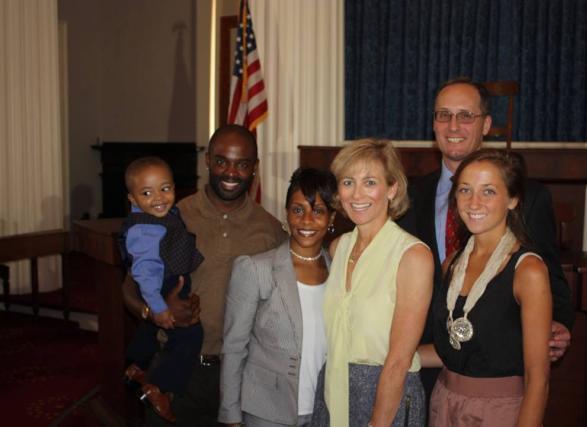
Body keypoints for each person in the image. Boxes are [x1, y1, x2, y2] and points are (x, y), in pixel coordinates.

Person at [397, 77, 574, 400]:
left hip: (494, 370)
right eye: (443, 115)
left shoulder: (529, 197)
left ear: (487, 124)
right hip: (419, 364)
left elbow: (550, 277)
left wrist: (558, 324)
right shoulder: (407, 197)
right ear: (433, 124)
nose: (454, 125)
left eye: (466, 116)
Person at [122, 124, 288, 426]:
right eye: (222, 161)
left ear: (255, 168)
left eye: (242, 164)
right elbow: (128, 289)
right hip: (173, 368)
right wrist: (154, 312)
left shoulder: (271, 230)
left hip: (241, 374)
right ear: (208, 160)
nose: (231, 172)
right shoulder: (170, 214)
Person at [420, 148, 551, 425]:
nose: (473, 202)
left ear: (512, 199)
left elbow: (538, 379)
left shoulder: (528, 271)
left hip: (499, 411)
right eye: (465, 190)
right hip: (444, 403)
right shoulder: (452, 264)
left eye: (488, 191)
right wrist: (390, 354)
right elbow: (451, 350)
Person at [312, 139, 434, 426]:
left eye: (370, 182)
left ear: (392, 188)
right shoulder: (338, 247)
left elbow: (399, 360)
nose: (356, 194)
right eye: (348, 182)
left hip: (386, 393)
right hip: (333, 386)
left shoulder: (412, 256)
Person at [218, 168, 337, 427]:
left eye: (317, 211)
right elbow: (234, 346)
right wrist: (230, 415)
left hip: (323, 411)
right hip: (266, 411)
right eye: (298, 210)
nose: (306, 220)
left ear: (331, 218)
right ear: (286, 213)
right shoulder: (255, 268)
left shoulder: (339, 271)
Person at [120, 156, 204, 422]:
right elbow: (143, 272)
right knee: (189, 334)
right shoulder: (143, 229)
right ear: (132, 199)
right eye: (147, 193)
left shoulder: (161, 217)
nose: (158, 197)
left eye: (165, 188)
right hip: (162, 283)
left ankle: (136, 364)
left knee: (150, 330)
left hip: (167, 278)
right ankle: (161, 387)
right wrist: (158, 306)